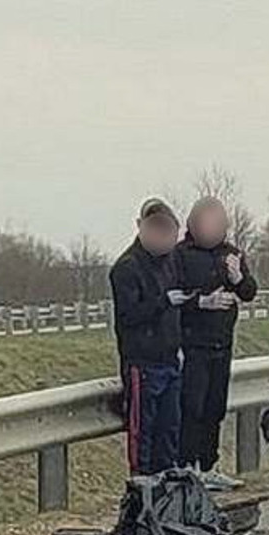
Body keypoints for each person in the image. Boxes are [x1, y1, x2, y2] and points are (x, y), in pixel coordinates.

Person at [177, 196, 258, 490]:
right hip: (192, 345)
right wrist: (202, 301)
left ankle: (209, 466)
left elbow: (249, 292)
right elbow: (173, 300)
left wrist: (237, 277)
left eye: (218, 224)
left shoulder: (231, 254)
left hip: (222, 344)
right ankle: (187, 466)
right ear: (194, 225)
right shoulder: (181, 256)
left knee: (214, 407)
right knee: (192, 407)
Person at [110, 197, 192, 475]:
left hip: (170, 361)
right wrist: (164, 301)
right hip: (142, 364)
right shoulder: (127, 268)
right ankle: (142, 489)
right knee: (142, 434)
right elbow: (128, 315)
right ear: (141, 228)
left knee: (169, 431)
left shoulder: (170, 264)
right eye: (155, 229)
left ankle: (166, 488)